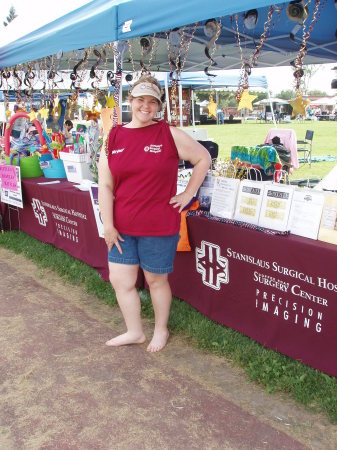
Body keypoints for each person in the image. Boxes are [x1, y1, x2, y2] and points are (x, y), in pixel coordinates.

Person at [98, 74, 211, 353]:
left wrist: (188, 194)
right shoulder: (113, 136)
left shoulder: (168, 134)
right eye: (140, 100)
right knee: (120, 281)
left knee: (155, 281)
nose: (145, 106)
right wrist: (108, 225)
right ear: (130, 101)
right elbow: (105, 184)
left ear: (158, 105)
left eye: (151, 102)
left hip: (159, 226)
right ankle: (134, 331)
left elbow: (203, 158)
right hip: (122, 228)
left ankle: (161, 329)